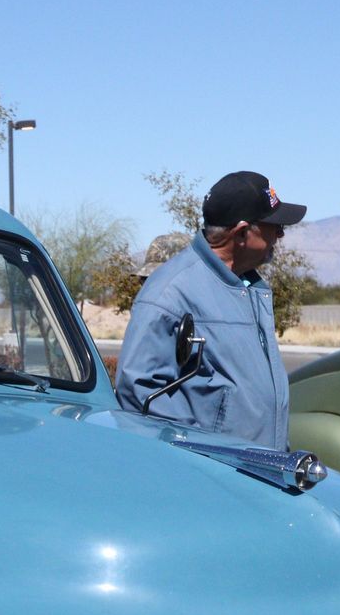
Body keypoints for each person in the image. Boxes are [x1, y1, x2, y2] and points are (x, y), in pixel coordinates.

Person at [115, 171, 306, 448]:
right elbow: (140, 394)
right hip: (213, 477)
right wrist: (205, 455)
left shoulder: (248, 287)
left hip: (258, 471)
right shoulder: (169, 293)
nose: (281, 233)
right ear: (242, 232)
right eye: (273, 225)